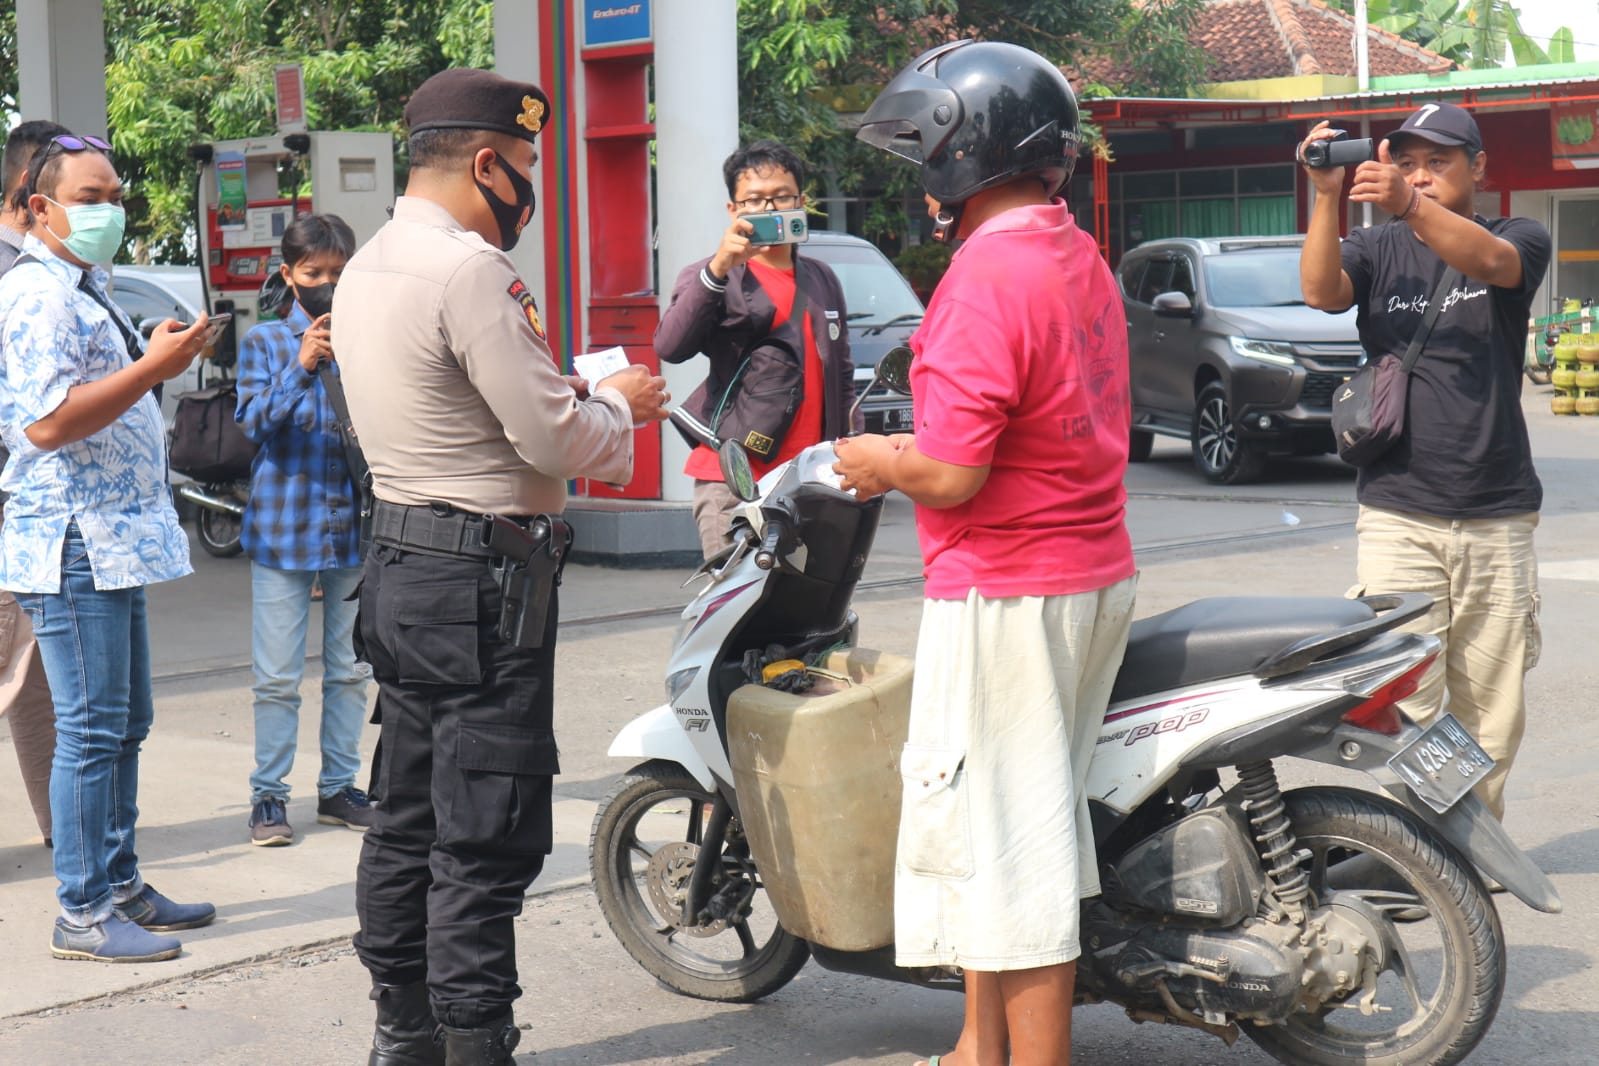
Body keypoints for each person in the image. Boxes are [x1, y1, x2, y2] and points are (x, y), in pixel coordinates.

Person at [331, 69, 669, 1065]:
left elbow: (449, 403)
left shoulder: (369, 264)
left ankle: (404, 1034)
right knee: (483, 835)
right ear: (487, 161)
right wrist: (624, 412)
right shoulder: (471, 270)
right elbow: (556, 443)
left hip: (398, 561)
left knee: (402, 819)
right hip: (485, 581)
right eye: (523, 165)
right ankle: (476, 1044)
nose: (526, 184)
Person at [834, 41, 1137, 1066]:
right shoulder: (1069, 250)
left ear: (963, 154)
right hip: (1088, 568)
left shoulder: (983, 276)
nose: (922, 180)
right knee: (992, 818)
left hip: (1010, 587)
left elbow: (954, 472)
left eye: (924, 152)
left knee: (1015, 848)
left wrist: (880, 459)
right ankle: (977, 1042)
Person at [0, 132, 216, 962]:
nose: (110, 211)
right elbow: (49, 422)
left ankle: (120, 882)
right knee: (90, 731)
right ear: (36, 206)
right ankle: (82, 910)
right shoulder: (35, 296)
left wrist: (158, 357)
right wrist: (151, 366)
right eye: (90, 199)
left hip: (114, 541)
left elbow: (101, 396)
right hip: (72, 541)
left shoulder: (82, 287)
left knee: (126, 724)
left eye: (116, 195)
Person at [1300, 102, 1548, 820]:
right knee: (1404, 691)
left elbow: (1490, 264)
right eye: (1405, 162)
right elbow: (1320, 292)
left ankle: (1475, 845)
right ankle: (1422, 844)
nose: (1419, 175)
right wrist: (1323, 199)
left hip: (1496, 509)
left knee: (1488, 702)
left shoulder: (1515, 236)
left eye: (1437, 161)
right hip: (1397, 508)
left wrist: (1407, 203)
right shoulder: (1378, 250)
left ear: (1477, 168)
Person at [235, 213, 372, 847]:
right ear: (288, 275)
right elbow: (254, 423)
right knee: (277, 677)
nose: (326, 284)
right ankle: (269, 797)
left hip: (352, 527)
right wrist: (301, 365)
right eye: (314, 273)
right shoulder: (264, 341)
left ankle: (340, 788)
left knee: (349, 670)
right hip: (283, 528)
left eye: (339, 275)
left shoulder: (366, 336)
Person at [655, 139, 859, 559]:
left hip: (811, 480)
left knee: (808, 614)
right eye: (754, 200)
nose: (769, 209)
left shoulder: (822, 279)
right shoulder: (712, 276)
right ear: (733, 211)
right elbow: (670, 346)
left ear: (801, 201)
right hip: (735, 479)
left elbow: (840, 374)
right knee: (739, 613)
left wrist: (849, 451)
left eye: (781, 197)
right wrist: (718, 269)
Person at [0, 119, 71, 849]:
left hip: (25, 507)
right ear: (33, 194)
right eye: (85, 193)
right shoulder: (13, 278)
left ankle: (66, 832)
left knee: (30, 679)